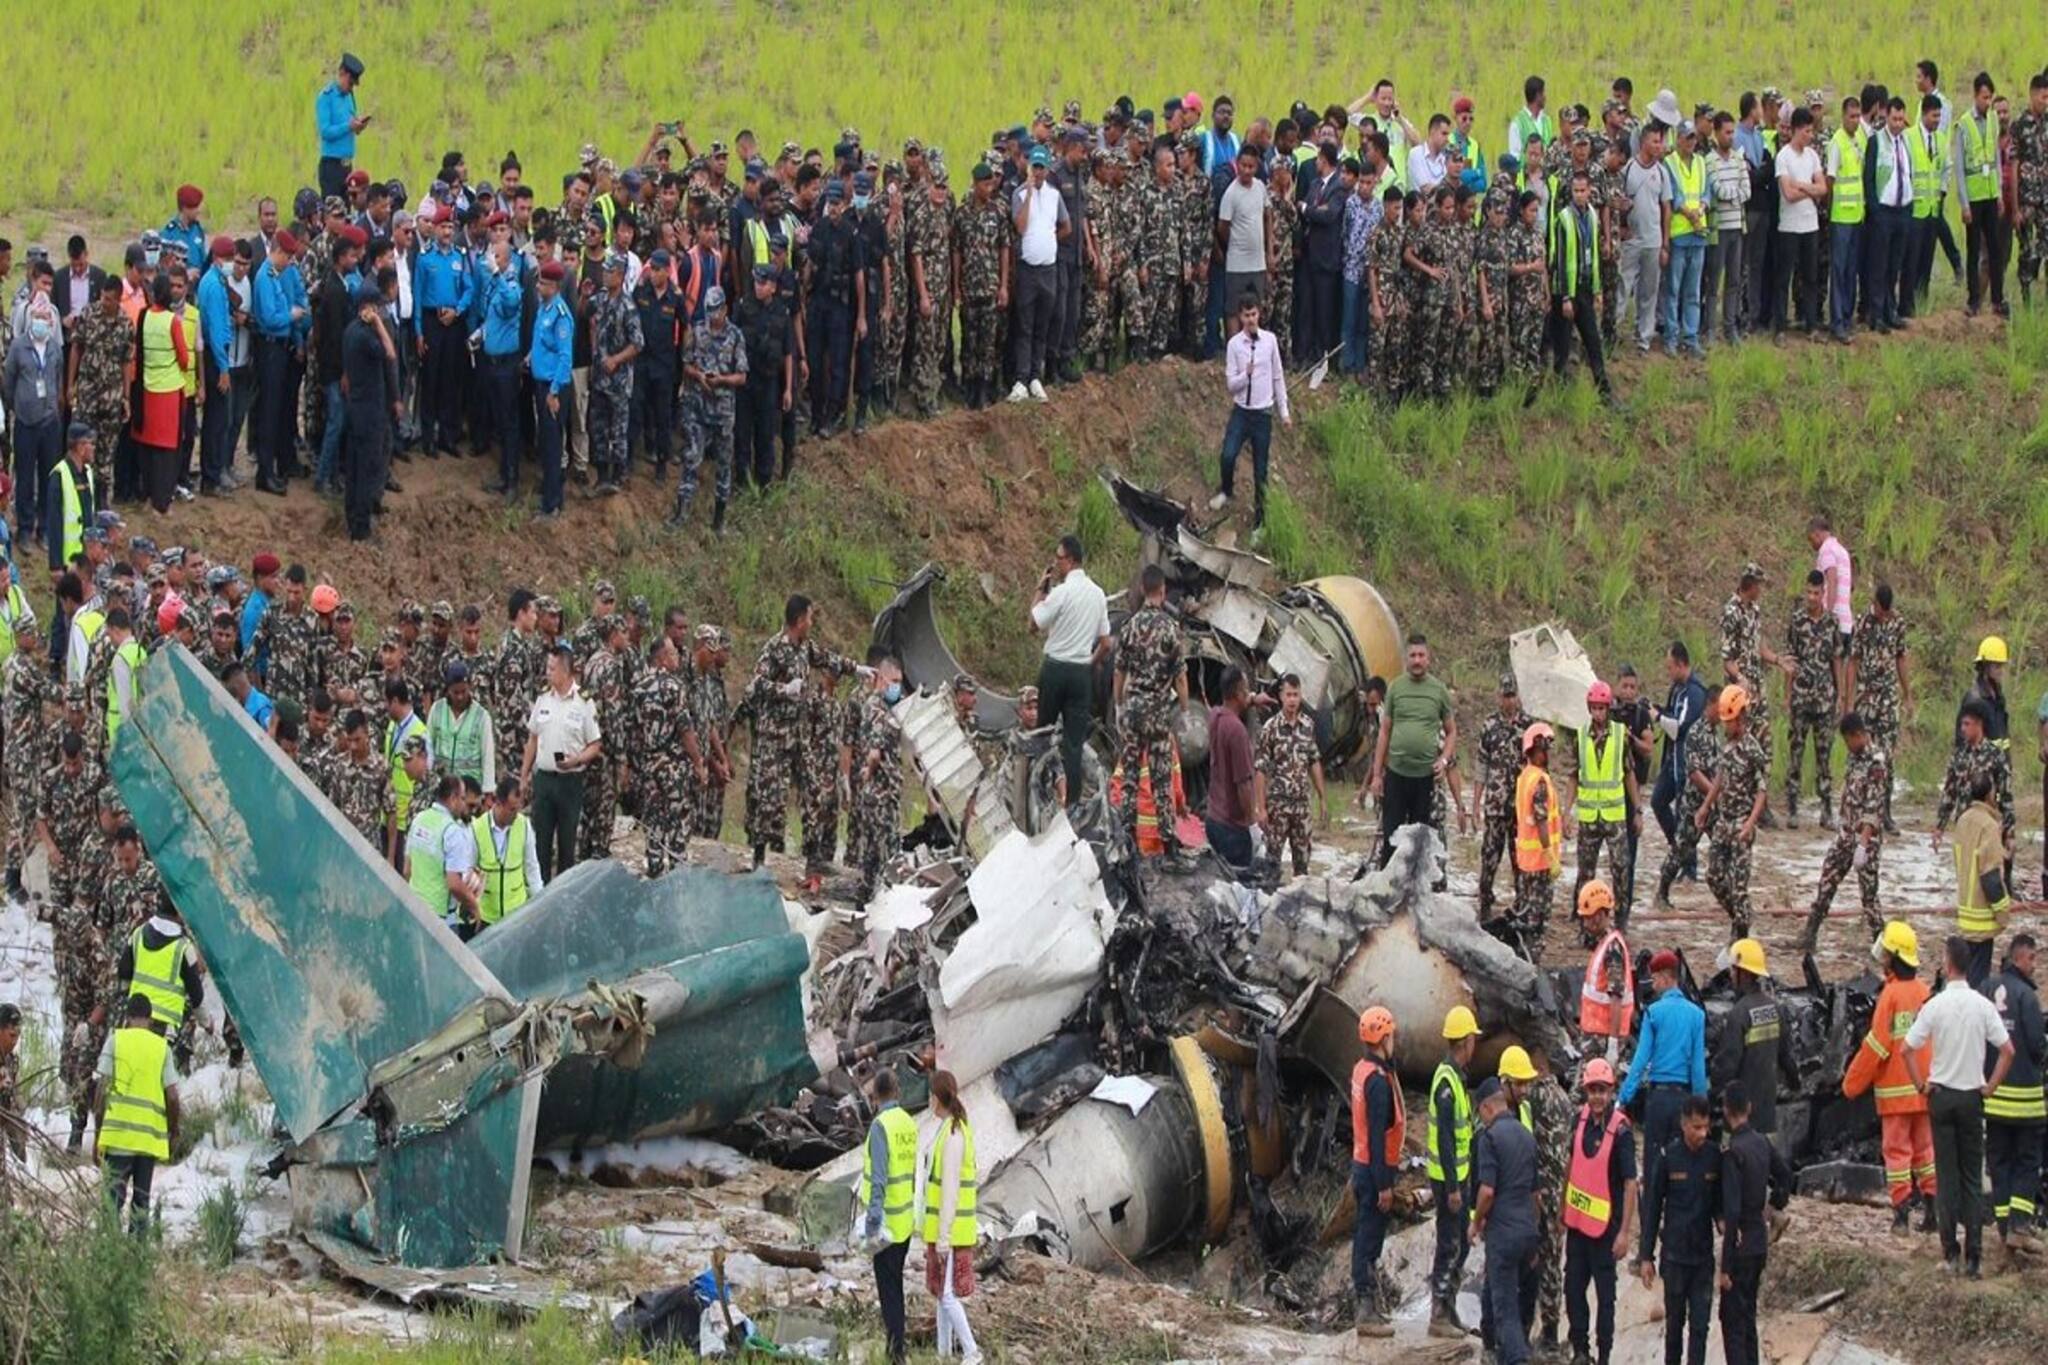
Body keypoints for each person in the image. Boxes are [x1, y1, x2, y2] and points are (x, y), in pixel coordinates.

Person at [1903, 934, 2015, 1276]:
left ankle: (1950, 1253)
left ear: (1948, 965)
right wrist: (1990, 1086)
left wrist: (1921, 1085)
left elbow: (1907, 1049)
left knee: (1947, 1177)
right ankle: (1974, 1259)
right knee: (1971, 1177)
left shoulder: (1935, 1005)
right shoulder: (1982, 1005)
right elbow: (2008, 1050)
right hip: (1971, 1097)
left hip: (1941, 1096)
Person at [1843, 921, 1937, 1232]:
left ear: (1893, 957)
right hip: (1925, 1092)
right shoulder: (1925, 992)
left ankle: (1900, 1215)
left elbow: (1876, 1045)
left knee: (1897, 1155)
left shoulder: (1891, 996)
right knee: (1926, 1152)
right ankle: (1932, 1213)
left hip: (1895, 1097)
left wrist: (1851, 1084)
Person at [1560, 1057, 1636, 1365]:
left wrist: (1624, 1233)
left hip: (1606, 1233)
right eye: (1592, 1090)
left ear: (1611, 1091)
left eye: (1602, 1090)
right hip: (1578, 1228)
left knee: (1606, 1301)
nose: (1597, 1097)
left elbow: (1631, 1184)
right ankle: (1581, 1351)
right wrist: (1561, 1211)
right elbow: (1570, 1165)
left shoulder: (1622, 1132)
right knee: (1573, 1291)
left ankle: (1603, 1357)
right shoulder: (1578, 1123)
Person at [1635, 1093, 1719, 1365]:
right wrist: (1646, 1256)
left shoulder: (1714, 1157)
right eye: (1696, 1127)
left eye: (1706, 1126)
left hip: (1702, 1259)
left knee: (1700, 1328)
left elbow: (1720, 1203)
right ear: (1684, 1125)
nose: (1702, 1133)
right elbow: (1653, 1208)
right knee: (1674, 1328)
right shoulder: (1669, 1157)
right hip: (1675, 1258)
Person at [1027, 534, 1110, 805]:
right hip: (1080, 674)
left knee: (1043, 734)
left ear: (1071, 561)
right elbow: (1106, 642)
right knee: (1073, 743)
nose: (1056, 563)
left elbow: (1032, 624)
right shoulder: (1097, 594)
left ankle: (1040, 794)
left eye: (1058, 558)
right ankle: (1071, 803)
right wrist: (1090, 662)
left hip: (1055, 670)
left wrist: (1040, 589)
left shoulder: (1061, 592)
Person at [1112, 564, 1187, 856]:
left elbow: (1118, 672)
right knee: (1160, 779)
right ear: (1163, 590)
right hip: (1157, 712)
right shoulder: (1170, 629)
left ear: (1143, 589)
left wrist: (1119, 705)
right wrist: (1182, 709)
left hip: (1132, 710)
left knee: (1130, 776)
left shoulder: (1129, 627)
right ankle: (1169, 847)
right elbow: (1180, 677)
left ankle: (1127, 842)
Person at [91, 993, 181, 1237]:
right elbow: (172, 1096)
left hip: (119, 1138)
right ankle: (137, 1257)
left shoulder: (115, 1041)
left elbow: (101, 1090)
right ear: (150, 1020)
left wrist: (98, 1134)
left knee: (112, 1203)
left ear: (127, 1018)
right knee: (142, 1202)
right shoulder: (162, 1047)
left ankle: (108, 1252)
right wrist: (174, 1131)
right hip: (148, 1141)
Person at [1618, 949, 1707, 1192]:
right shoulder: (1696, 1015)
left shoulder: (1653, 1013)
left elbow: (1640, 1060)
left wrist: (1623, 1097)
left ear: (1667, 978)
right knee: (1681, 1167)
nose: (1653, 984)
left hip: (1658, 1101)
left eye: (1655, 978)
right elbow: (1698, 1067)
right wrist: (1700, 1105)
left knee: (1653, 1168)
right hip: (1684, 1100)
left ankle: (1649, 1225)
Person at [1717, 1083, 1792, 1365]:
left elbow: (1732, 1210)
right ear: (1749, 1108)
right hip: (1759, 1242)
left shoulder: (1732, 1152)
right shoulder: (1762, 1143)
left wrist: (1724, 1267)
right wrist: (1774, 1206)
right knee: (1748, 1318)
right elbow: (1786, 1176)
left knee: (1732, 1323)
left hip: (1739, 1247)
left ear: (1726, 1112)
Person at [1802, 712, 1888, 954]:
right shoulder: (1854, 758)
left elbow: (1873, 806)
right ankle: (1810, 933)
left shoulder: (1876, 761)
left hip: (1865, 839)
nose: (1847, 745)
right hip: (1846, 834)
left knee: (1869, 896)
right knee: (1827, 878)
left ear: (1858, 735)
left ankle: (1882, 945)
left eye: (1848, 740)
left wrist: (1862, 845)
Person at [1981, 933, 2045, 1247]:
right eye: (2032, 958)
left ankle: (2003, 1225)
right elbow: (2036, 1046)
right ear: (2019, 957)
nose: (2035, 965)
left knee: (1999, 1162)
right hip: (2025, 1102)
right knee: (2027, 1160)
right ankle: (2021, 1226)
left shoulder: (1986, 989)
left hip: (1992, 1099)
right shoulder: (2028, 997)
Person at [1471, 1075, 1539, 1365]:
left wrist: (1476, 1222)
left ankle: (1515, 1358)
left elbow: (1487, 1191)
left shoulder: (1490, 1138)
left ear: (1487, 1108)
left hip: (1503, 1234)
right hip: (1527, 1232)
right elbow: (1537, 1195)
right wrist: (1534, 1233)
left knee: (1505, 1307)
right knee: (1500, 1290)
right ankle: (1493, 1347)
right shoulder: (1526, 1135)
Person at [1372, 634, 1455, 868]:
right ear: (1406, 659)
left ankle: (1415, 894)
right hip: (1396, 776)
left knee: (1420, 842)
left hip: (1424, 778)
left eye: (1421, 655)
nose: (1417, 660)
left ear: (1428, 659)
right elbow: (1384, 732)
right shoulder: (1396, 688)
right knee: (1391, 840)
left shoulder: (1438, 691)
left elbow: (1451, 732)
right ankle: (1388, 894)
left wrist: (1445, 759)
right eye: (1413, 656)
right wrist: (1377, 775)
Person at [1210, 296, 1289, 538]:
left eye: (1254, 314)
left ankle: (1260, 523)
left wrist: (1284, 412)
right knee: (1228, 454)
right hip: (1242, 411)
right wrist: (1246, 375)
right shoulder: (1234, 345)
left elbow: (1278, 377)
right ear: (1240, 318)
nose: (1251, 319)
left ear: (1259, 315)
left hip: (1262, 414)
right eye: (1246, 316)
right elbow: (1231, 385)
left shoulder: (1270, 341)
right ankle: (1226, 490)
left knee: (1260, 471)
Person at [521, 644, 601, 884]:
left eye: (552, 668)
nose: (548, 672)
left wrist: (576, 760)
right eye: (547, 667)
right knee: (540, 844)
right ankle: (540, 894)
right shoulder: (543, 698)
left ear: (566, 671)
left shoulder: (584, 702)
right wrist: (524, 775)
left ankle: (563, 896)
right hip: (544, 780)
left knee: (567, 846)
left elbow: (595, 744)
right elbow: (533, 739)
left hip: (570, 782)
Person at [856, 1066, 918, 1365]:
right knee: (897, 1287)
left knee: (889, 1293)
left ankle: (896, 1354)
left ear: (875, 1095)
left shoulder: (881, 1127)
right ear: (897, 1091)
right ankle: (896, 1349)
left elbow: (879, 1180)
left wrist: (871, 1226)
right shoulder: (908, 1123)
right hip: (905, 1222)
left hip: (887, 1226)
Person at [1425, 1005, 1480, 1339]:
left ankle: (1450, 1306)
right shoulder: (1446, 1082)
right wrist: (1453, 1189)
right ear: (1466, 1041)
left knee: (1462, 1242)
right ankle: (1438, 1313)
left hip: (1460, 1176)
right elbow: (1446, 1138)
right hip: (1449, 1180)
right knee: (1449, 1244)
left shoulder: (1457, 1078)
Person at [921, 1070, 981, 1363]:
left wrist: (943, 1237)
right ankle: (942, 1353)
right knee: (941, 1295)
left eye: (930, 1095)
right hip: (944, 1229)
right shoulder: (950, 1129)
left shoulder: (954, 1135)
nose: (928, 1100)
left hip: (952, 1230)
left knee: (947, 1295)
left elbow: (950, 1191)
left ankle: (971, 1351)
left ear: (937, 1098)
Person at [1712, 938, 1800, 1139]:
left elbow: (1727, 1064)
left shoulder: (1739, 1013)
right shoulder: (1775, 1008)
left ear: (1743, 973)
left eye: (1734, 970)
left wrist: (1711, 1094)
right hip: (1767, 1115)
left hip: (1740, 1117)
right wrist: (1795, 1084)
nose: (1732, 975)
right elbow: (1786, 1056)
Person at [1349, 1006, 1402, 1339]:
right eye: (1392, 1035)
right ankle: (1365, 1309)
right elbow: (1380, 1139)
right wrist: (1385, 1186)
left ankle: (1368, 1306)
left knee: (1364, 1235)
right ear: (1383, 1038)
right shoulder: (1379, 1083)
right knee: (1369, 1238)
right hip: (1374, 1170)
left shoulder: (1362, 1069)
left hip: (1362, 1164)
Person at [1698, 685, 1766, 937]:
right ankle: (1741, 916)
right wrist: (1706, 806)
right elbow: (1719, 778)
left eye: (1728, 722)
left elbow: (1762, 790)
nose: (1724, 726)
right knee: (1714, 877)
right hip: (1722, 823)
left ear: (1740, 718)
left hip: (1741, 825)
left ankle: (1740, 934)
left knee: (1739, 887)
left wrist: (1750, 823)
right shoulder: (1726, 747)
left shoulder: (1752, 750)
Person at [1568, 680, 1638, 919]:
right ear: (1589, 708)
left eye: (1602, 708)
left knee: (1620, 867)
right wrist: (1567, 812)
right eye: (1594, 708)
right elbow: (1573, 778)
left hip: (1614, 816)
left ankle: (1620, 917)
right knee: (1585, 872)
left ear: (1608, 709)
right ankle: (1582, 917)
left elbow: (1629, 774)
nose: (1598, 713)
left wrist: (1637, 811)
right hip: (1589, 817)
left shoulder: (1620, 736)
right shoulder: (1580, 737)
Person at [1543, 170, 1611, 399]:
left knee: (1593, 340)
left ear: (1590, 191)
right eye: (1576, 191)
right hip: (1565, 291)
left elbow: (1594, 257)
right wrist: (1564, 297)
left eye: (1583, 190)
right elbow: (1561, 259)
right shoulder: (1563, 218)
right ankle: (1559, 390)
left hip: (1584, 288)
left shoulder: (1592, 214)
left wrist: (1597, 289)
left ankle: (1604, 390)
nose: (1579, 195)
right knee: (1562, 345)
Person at [1007, 145, 1065, 400]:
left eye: (1042, 167)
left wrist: (1050, 240)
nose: (1039, 172)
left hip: (1048, 269)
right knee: (1025, 325)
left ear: (1048, 168)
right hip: (1027, 271)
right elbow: (1020, 227)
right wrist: (1029, 193)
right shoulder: (1019, 195)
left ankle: (1035, 376)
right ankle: (1021, 378)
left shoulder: (1054, 195)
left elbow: (1066, 226)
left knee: (1042, 325)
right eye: (1035, 167)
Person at [1954, 73, 2007, 317]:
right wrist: (1964, 203)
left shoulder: (1994, 119)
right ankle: (1973, 300)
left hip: (1989, 195)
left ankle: (1997, 299)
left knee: (1995, 249)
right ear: (1975, 95)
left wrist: (1998, 194)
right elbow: (1960, 168)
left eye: (1990, 97)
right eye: (1985, 97)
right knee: (1974, 250)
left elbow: (1996, 157)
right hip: (1973, 199)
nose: (1988, 102)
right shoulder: (1964, 124)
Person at [1506, 721, 1560, 952]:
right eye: (1545, 749)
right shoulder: (1538, 780)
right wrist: (1549, 855)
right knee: (1536, 923)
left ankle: (1522, 954)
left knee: (1526, 913)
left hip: (1526, 861)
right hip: (1539, 862)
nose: (1548, 754)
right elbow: (1540, 820)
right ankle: (1531, 965)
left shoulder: (1524, 776)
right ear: (1536, 750)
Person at [1773, 108, 1826, 337]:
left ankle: (1811, 324)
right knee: (1784, 277)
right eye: (1806, 131)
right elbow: (1788, 194)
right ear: (1795, 130)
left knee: (1810, 276)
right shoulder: (1783, 156)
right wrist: (1809, 189)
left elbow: (1823, 188)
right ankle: (1780, 327)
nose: (1810, 135)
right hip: (1789, 227)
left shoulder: (1812, 156)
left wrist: (1802, 185)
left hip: (1810, 225)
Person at [1203, 667, 1256, 871]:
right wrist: (1252, 825)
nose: (1248, 693)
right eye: (1246, 690)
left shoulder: (1215, 716)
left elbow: (1237, 701)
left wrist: (1253, 699)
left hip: (1213, 820)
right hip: (1233, 829)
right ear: (1238, 693)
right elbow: (1243, 784)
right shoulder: (1237, 731)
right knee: (1241, 890)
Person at [1823, 97, 1866, 344]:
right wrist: (1830, 212)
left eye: (1858, 116)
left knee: (1851, 271)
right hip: (1840, 216)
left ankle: (1848, 318)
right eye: (1852, 116)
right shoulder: (1837, 143)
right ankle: (1837, 322)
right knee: (1838, 271)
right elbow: (1830, 180)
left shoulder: (1859, 140)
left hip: (1856, 215)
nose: (1856, 120)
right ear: (1843, 116)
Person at [472, 775, 540, 929]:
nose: (516, 814)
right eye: (512, 809)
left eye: (518, 808)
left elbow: (532, 868)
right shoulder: (477, 828)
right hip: (485, 917)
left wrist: (539, 902)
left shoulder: (524, 825)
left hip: (516, 914)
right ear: (498, 804)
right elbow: (469, 871)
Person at [1576, 880, 1633, 1063]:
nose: (1585, 923)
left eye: (1587, 917)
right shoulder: (1604, 944)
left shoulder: (1612, 949)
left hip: (1602, 1037)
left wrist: (1613, 1045)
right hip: (1595, 1036)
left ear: (1600, 915)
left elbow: (1616, 996)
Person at [316, 54, 368, 198]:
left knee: (347, 212)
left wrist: (358, 126)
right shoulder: (326, 97)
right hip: (331, 165)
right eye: (350, 83)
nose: (350, 87)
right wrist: (348, 126)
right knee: (332, 212)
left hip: (347, 165)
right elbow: (325, 131)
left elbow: (351, 125)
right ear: (342, 73)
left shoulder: (350, 97)